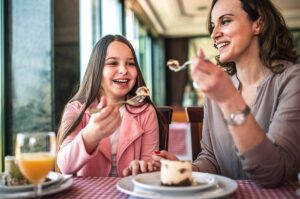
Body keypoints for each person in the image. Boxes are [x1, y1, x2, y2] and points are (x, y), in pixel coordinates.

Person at [123, 0, 300, 188]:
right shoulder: (215, 92)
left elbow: (272, 173)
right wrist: (184, 169)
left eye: (225, 21)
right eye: (212, 26)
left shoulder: (292, 80)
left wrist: (228, 99)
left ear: (258, 24)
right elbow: (211, 159)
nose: (214, 34)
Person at [56, 34, 167, 177]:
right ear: (97, 70)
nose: (124, 70)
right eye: (113, 63)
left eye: (131, 63)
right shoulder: (76, 110)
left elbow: (151, 170)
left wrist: (145, 167)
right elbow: (65, 166)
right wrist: (91, 134)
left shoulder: (145, 111)